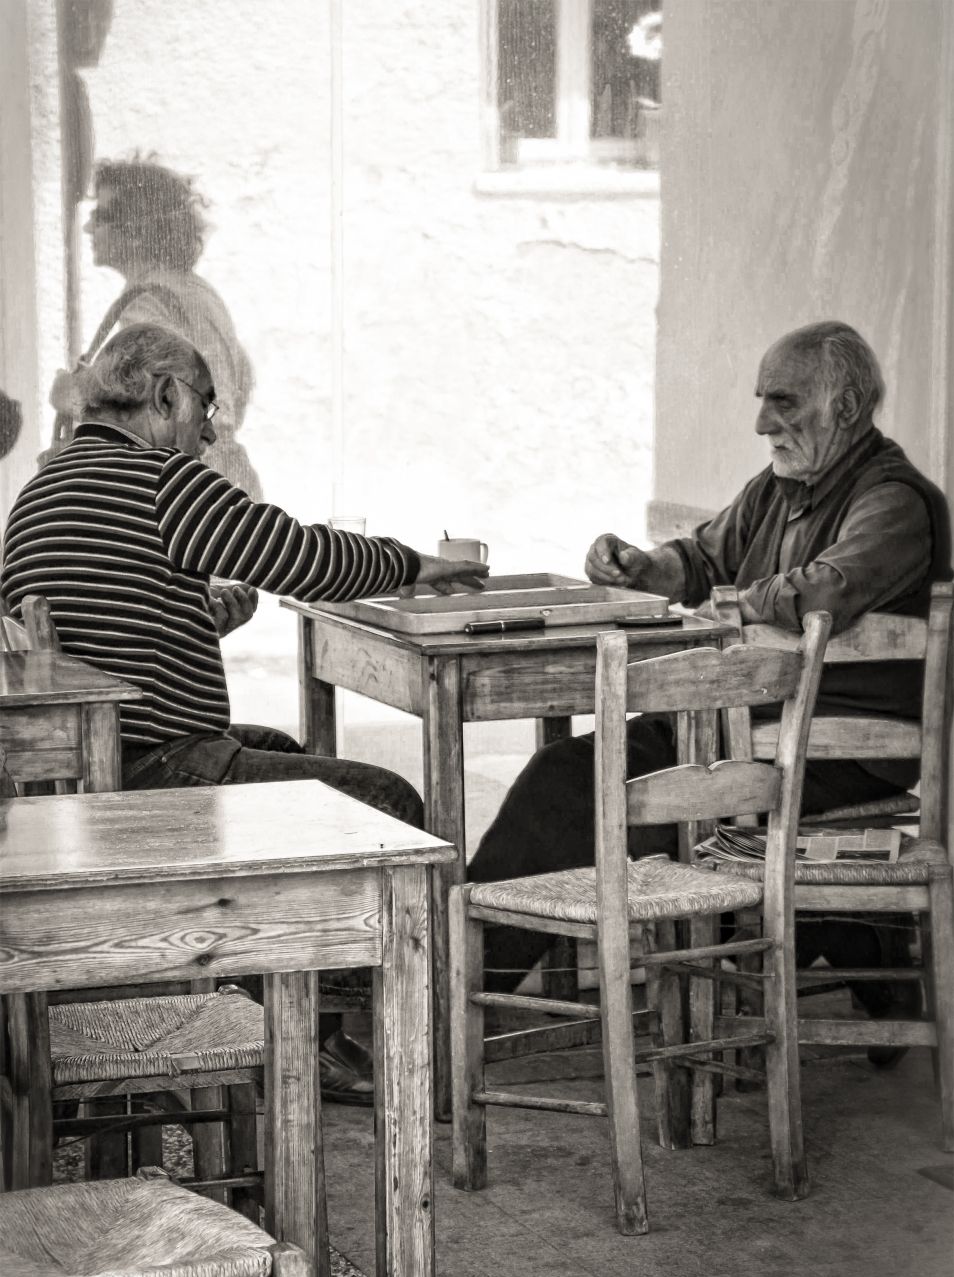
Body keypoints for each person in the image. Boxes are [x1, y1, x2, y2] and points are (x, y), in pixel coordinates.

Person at [1, 322, 488, 1103]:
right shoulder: (161, 478)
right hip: (161, 780)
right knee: (388, 807)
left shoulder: (42, 489)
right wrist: (420, 566)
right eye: (205, 406)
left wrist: (196, 612)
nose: (211, 431)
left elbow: (111, 621)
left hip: (88, 787)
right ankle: (373, 1046)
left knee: (288, 752)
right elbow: (298, 553)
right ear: (164, 395)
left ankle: (294, 1028)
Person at [468, 321, 952, 1050]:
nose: (763, 422)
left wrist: (737, 603)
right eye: (762, 401)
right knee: (572, 775)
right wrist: (643, 567)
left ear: (846, 406)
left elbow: (825, 590)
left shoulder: (897, 501)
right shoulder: (780, 486)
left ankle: (453, 1009)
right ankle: (861, 942)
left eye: (783, 401)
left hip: (831, 752)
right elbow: (700, 558)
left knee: (574, 784)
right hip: (741, 728)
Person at [49, 157, 262, 499]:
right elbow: (235, 383)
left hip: (188, 486)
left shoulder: (145, 301)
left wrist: (69, 394)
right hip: (227, 473)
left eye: (101, 216)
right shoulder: (197, 291)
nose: (89, 228)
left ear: (135, 229)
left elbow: (149, 408)